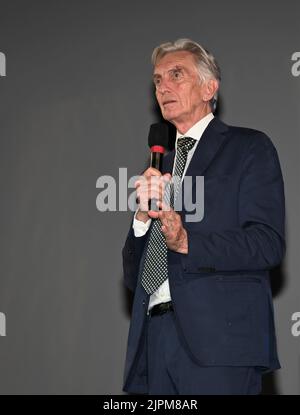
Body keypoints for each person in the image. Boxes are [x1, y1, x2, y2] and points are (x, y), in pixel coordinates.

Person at [122, 38, 285, 395]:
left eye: (175, 75)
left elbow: (267, 244)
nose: (162, 87)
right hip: (154, 342)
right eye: (157, 80)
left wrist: (186, 241)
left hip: (219, 344)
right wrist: (140, 216)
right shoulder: (158, 166)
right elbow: (135, 277)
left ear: (209, 87)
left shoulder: (249, 148)